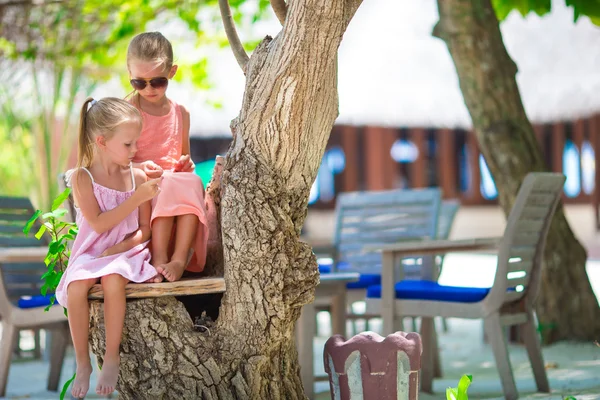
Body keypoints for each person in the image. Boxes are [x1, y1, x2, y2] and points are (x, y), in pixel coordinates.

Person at [55, 97, 161, 398]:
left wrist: (122, 247)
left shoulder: (136, 177)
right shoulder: (81, 178)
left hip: (127, 251)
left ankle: (111, 357)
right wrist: (137, 198)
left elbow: (145, 229)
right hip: (92, 251)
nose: (135, 150)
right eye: (128, 144)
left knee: (114, 279)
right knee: (76, 287)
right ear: (102, 141)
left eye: (135, 143)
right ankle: (82, 362)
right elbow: (99, 225)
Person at [127, 31, 209, 281]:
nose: (148, 89)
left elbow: (185, 158)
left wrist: (187, 163)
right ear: (130, 75)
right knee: (166, 186)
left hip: (173, 184)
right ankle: (159, 258)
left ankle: (179, 258)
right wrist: (140, 165)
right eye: (139, 82)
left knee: (191, 181)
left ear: (172, 72)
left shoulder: (180, 113)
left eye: (157, 81)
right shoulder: (127, 112)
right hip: (140, 184)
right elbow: (114, 161)